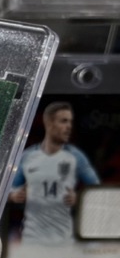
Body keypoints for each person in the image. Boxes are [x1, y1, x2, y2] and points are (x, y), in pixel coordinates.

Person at [8, 101, 100, 245]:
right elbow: (7, 190)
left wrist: (79, 198)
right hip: (32, 238)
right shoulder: (27, 156)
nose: (69, 126)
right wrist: (14, 195)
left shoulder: (76, 156)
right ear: (49, 123)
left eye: (70, 122)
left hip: (65, 239)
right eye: (64, 121)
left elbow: (97, 191)